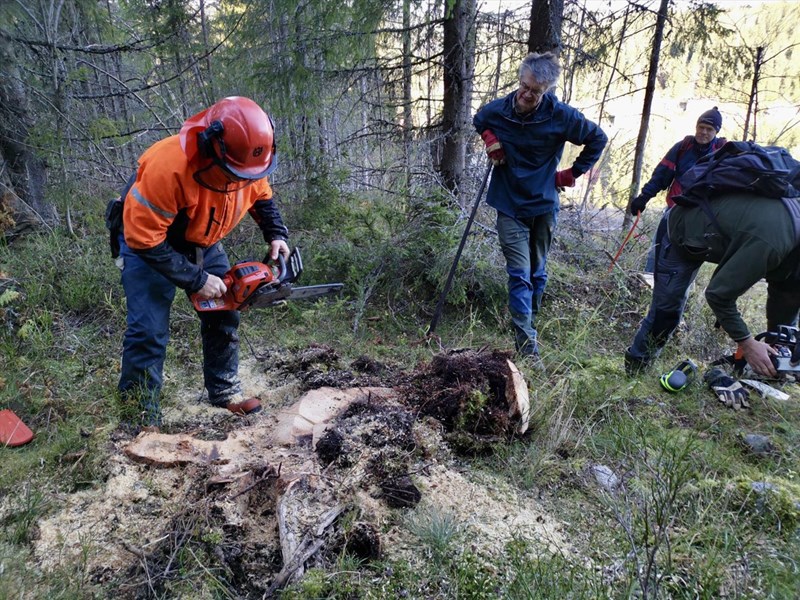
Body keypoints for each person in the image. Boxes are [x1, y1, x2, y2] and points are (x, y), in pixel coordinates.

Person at [115, 96, 290, 429]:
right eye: (233, 172)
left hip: (203, 237)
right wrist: (196, 279)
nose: (241, 179)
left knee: (225, 308)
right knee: (147, 331)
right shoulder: (169, 168)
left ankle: (223, 391)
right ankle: (138, 419)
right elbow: (143, 239)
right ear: (213, 147)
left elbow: (261, 195)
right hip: (149, 242)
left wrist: (276, 233)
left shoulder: (247, 160)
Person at [473, 52, 607, 361]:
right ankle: (526, 345)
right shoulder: (500, 110)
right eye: (523, 85)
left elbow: (597, 139)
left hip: (544, 205)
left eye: (534, 90)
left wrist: (571, 173)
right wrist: (491, 139)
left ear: (546, 90)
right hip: (508, 203)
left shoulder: (560, 116)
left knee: (537, 273)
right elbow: (479, 120)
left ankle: (529, 321)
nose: (525, 94)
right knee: (519, 274)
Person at [625, 191, 800, 380]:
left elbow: (787, 295)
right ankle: (635, 373)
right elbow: (718, 295)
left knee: (790, 288)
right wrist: (748, 344)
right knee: (666, 311)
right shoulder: (772, 242)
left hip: (727, 232)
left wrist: (785, 349)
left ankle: (773, 372)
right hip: (683, 229)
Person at [630, 107, 726, 272]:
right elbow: (661, 175)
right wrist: (644, 197)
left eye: (709, 129)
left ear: (716, 131)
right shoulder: (683, 148)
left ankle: (680, 292)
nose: (703, 132)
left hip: (701, 216)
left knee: (688, 258)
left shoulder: (721, 153)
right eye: (701, 127)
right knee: (657, 250)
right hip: (674, 210)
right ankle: (648, 285)